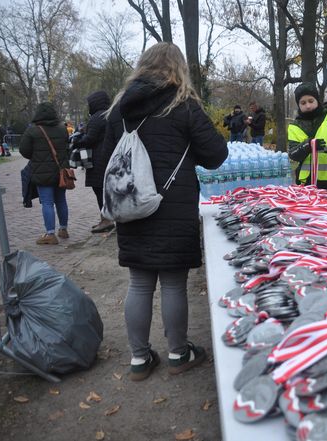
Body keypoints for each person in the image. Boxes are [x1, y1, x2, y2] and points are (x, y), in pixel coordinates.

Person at [101, 42, 228, 381]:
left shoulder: (120, 109)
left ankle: (139, 359)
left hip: (132, 207)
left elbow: (104, 160)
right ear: (178, 69)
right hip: (173, 207)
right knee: (173, 283)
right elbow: (216, 155)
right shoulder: (183, 105)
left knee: (139, 282)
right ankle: (178, 352)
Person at [288, 82, 327, 198]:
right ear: (299, 105)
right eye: (303, 103)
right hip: (308, 181)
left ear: (317, 100)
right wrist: (308, 145)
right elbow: (293, 154)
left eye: (311, 101)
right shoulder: (294, 126)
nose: (308, 106)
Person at [19, 102, 70, 245]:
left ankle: (50, 234)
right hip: (61, 172)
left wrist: (37, 157)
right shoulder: (62, 128)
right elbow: (67, 148)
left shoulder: (33, 130)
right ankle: (64, 229)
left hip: (42, 172)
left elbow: (24, 150)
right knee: (61, 200)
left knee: (47, 203)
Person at [73, 90, 114, 233]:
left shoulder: (96, 118)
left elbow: (90, 139)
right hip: (109, 158)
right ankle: (110, 218)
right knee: (108, 190)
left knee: (99, 190)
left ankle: (106, 220)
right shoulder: (110, 115)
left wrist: (77, 141)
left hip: (98, 160)